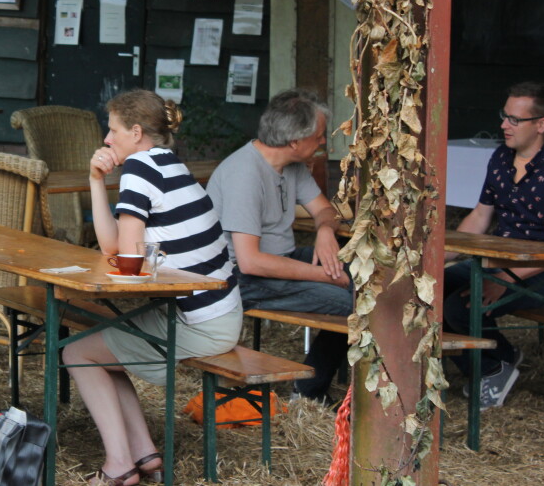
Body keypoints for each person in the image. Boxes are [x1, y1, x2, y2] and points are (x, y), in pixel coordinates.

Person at [62, 89, 242, 486]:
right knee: (101, 343)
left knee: (77, 350)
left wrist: (127, 259)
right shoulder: (169, 164)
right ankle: (144, 455)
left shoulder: (140, 169)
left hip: (201, 321)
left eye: (112, 131)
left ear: (136, 132)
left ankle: (119, 466)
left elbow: (126, 259)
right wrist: (96, 180)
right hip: (218, 311)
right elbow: (119, 249)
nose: (106, 140)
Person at [205, 88, 351, 404]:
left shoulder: (291, 164)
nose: (324, 142)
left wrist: (325, 230)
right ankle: (308, 394)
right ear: (295, 142)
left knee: (368, 280)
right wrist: (325, 276)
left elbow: (326, 210)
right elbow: (251, 263)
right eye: (320, 136)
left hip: (278, 260)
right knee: (353, 304)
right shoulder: (244, 173)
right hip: (239, 278)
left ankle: (314, 386)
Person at [442, 81, 544, 409]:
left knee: (459, 308)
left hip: (541, 266)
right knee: (430, 289)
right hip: (497, 259)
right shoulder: (501, 157)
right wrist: (438, 257)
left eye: (514, 119)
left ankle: (491, 368)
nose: (504, 124)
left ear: (541, 125)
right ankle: (501, 360)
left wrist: (506, 279)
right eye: (504, 116)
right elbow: (480, 215)